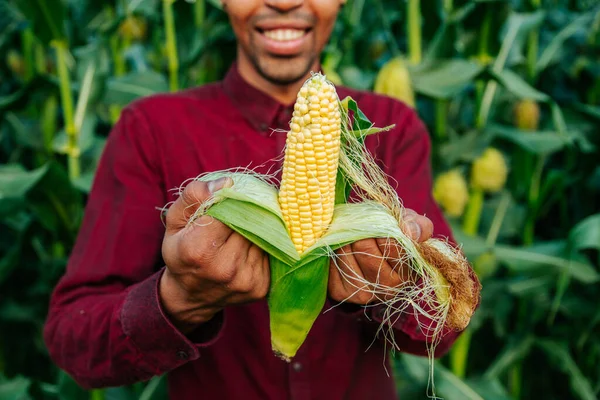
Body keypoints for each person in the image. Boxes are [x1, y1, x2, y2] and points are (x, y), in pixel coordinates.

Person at [44, 0, 478, 399]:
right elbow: (73, 341)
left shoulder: (392, 128)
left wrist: (395, 288)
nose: (286, 3)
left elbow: (445, 325)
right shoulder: (150, 128)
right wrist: (180, 298)